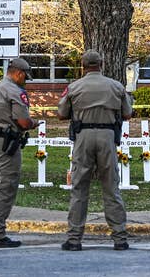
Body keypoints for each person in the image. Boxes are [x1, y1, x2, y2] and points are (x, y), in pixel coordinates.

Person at [57, 49, 133, 251]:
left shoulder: (74, 87)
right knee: (111, 187)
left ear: (83, 66)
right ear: (102, 64)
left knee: (79, 187)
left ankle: (74, 238)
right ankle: (120, 237)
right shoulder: (116, 86)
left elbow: (62, 113)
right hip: (107, 135)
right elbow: (127, 113)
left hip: (83, 136)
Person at [0, 58, 38, 248]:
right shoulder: (15, 91)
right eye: (25, 77)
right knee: (5, 188)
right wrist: (33, 124)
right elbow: (22, 122)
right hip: (6, 142)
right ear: (19, 73)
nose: (25, 81)